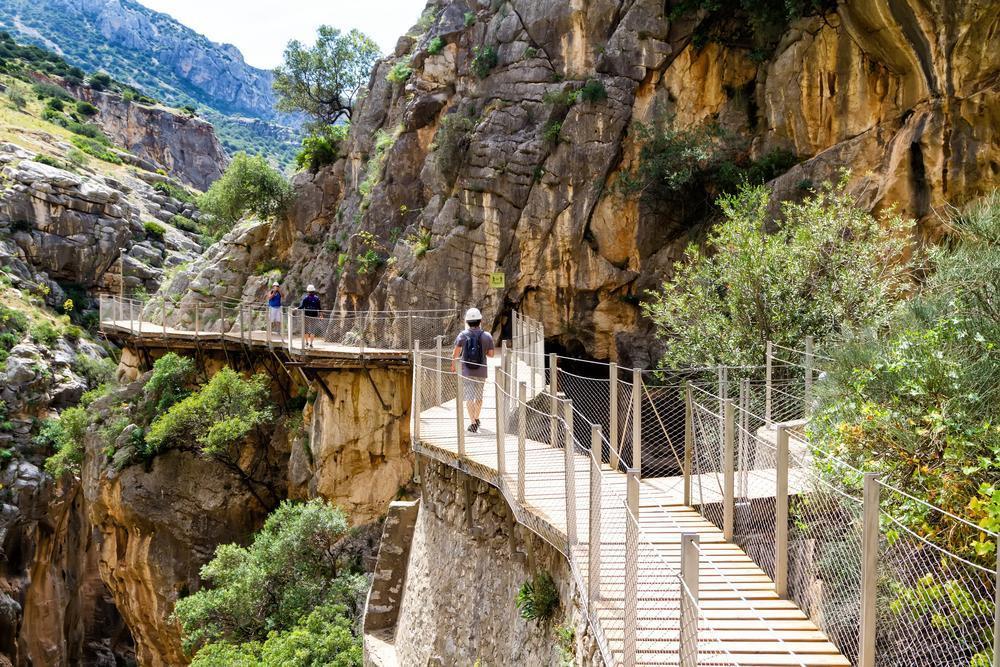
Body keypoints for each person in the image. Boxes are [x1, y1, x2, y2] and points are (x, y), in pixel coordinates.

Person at [452, 307, 495, 433]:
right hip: (481, 371)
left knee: (469, 397)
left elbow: (456, 353)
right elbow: (491, 354)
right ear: (480, 320)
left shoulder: (462, 335)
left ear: (467, 322)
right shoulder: (487, 336)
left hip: (467, 371)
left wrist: (453, 365)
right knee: (479, 396)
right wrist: (483, 351)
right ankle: (476, 418)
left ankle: (472, 422)